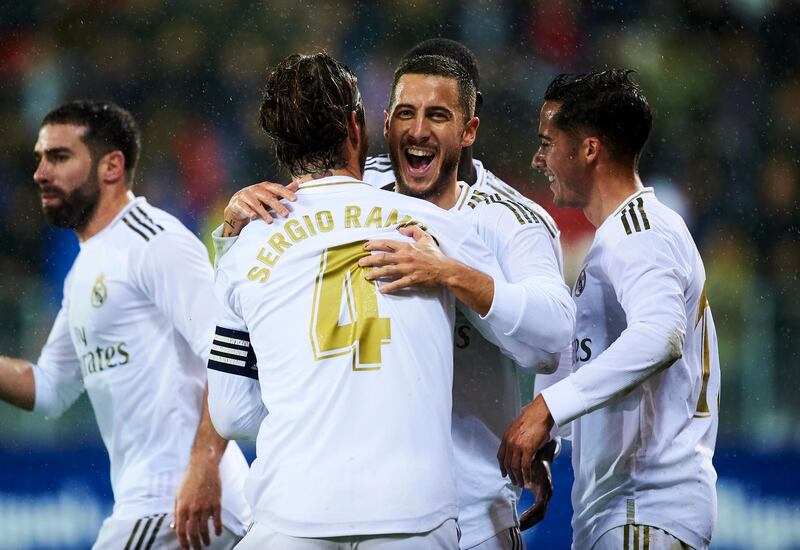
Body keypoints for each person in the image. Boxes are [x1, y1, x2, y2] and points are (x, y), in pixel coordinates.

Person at [221, 42, 575, 550]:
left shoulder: (510, 220)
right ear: (379, 125)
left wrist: (452, 274)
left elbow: (550, 337)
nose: (418, 131)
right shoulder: (354, 190)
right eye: (405, 114)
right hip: (362, 499)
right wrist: (238, 214)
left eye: (438, 116)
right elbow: (260, 280)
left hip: (472, 510)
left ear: (468, 131)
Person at [0, 100, 251, 550]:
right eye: (39, 158)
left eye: (59, 157)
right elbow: (49, 386)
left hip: (178, 503)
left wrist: (203, 466)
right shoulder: (84, 271)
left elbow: (227, 349)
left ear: (111, 166)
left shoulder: (153, 241)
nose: (40, 172)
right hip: (166, 505)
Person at [498, 70, 720, 550]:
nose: (538, 160)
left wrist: (547, 408)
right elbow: (596, 353)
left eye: (547, 143)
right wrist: (550, 435)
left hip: (645, 507)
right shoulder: (621, 235)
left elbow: (660, 334)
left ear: (590, 150)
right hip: (625, 512)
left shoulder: (640, 233)